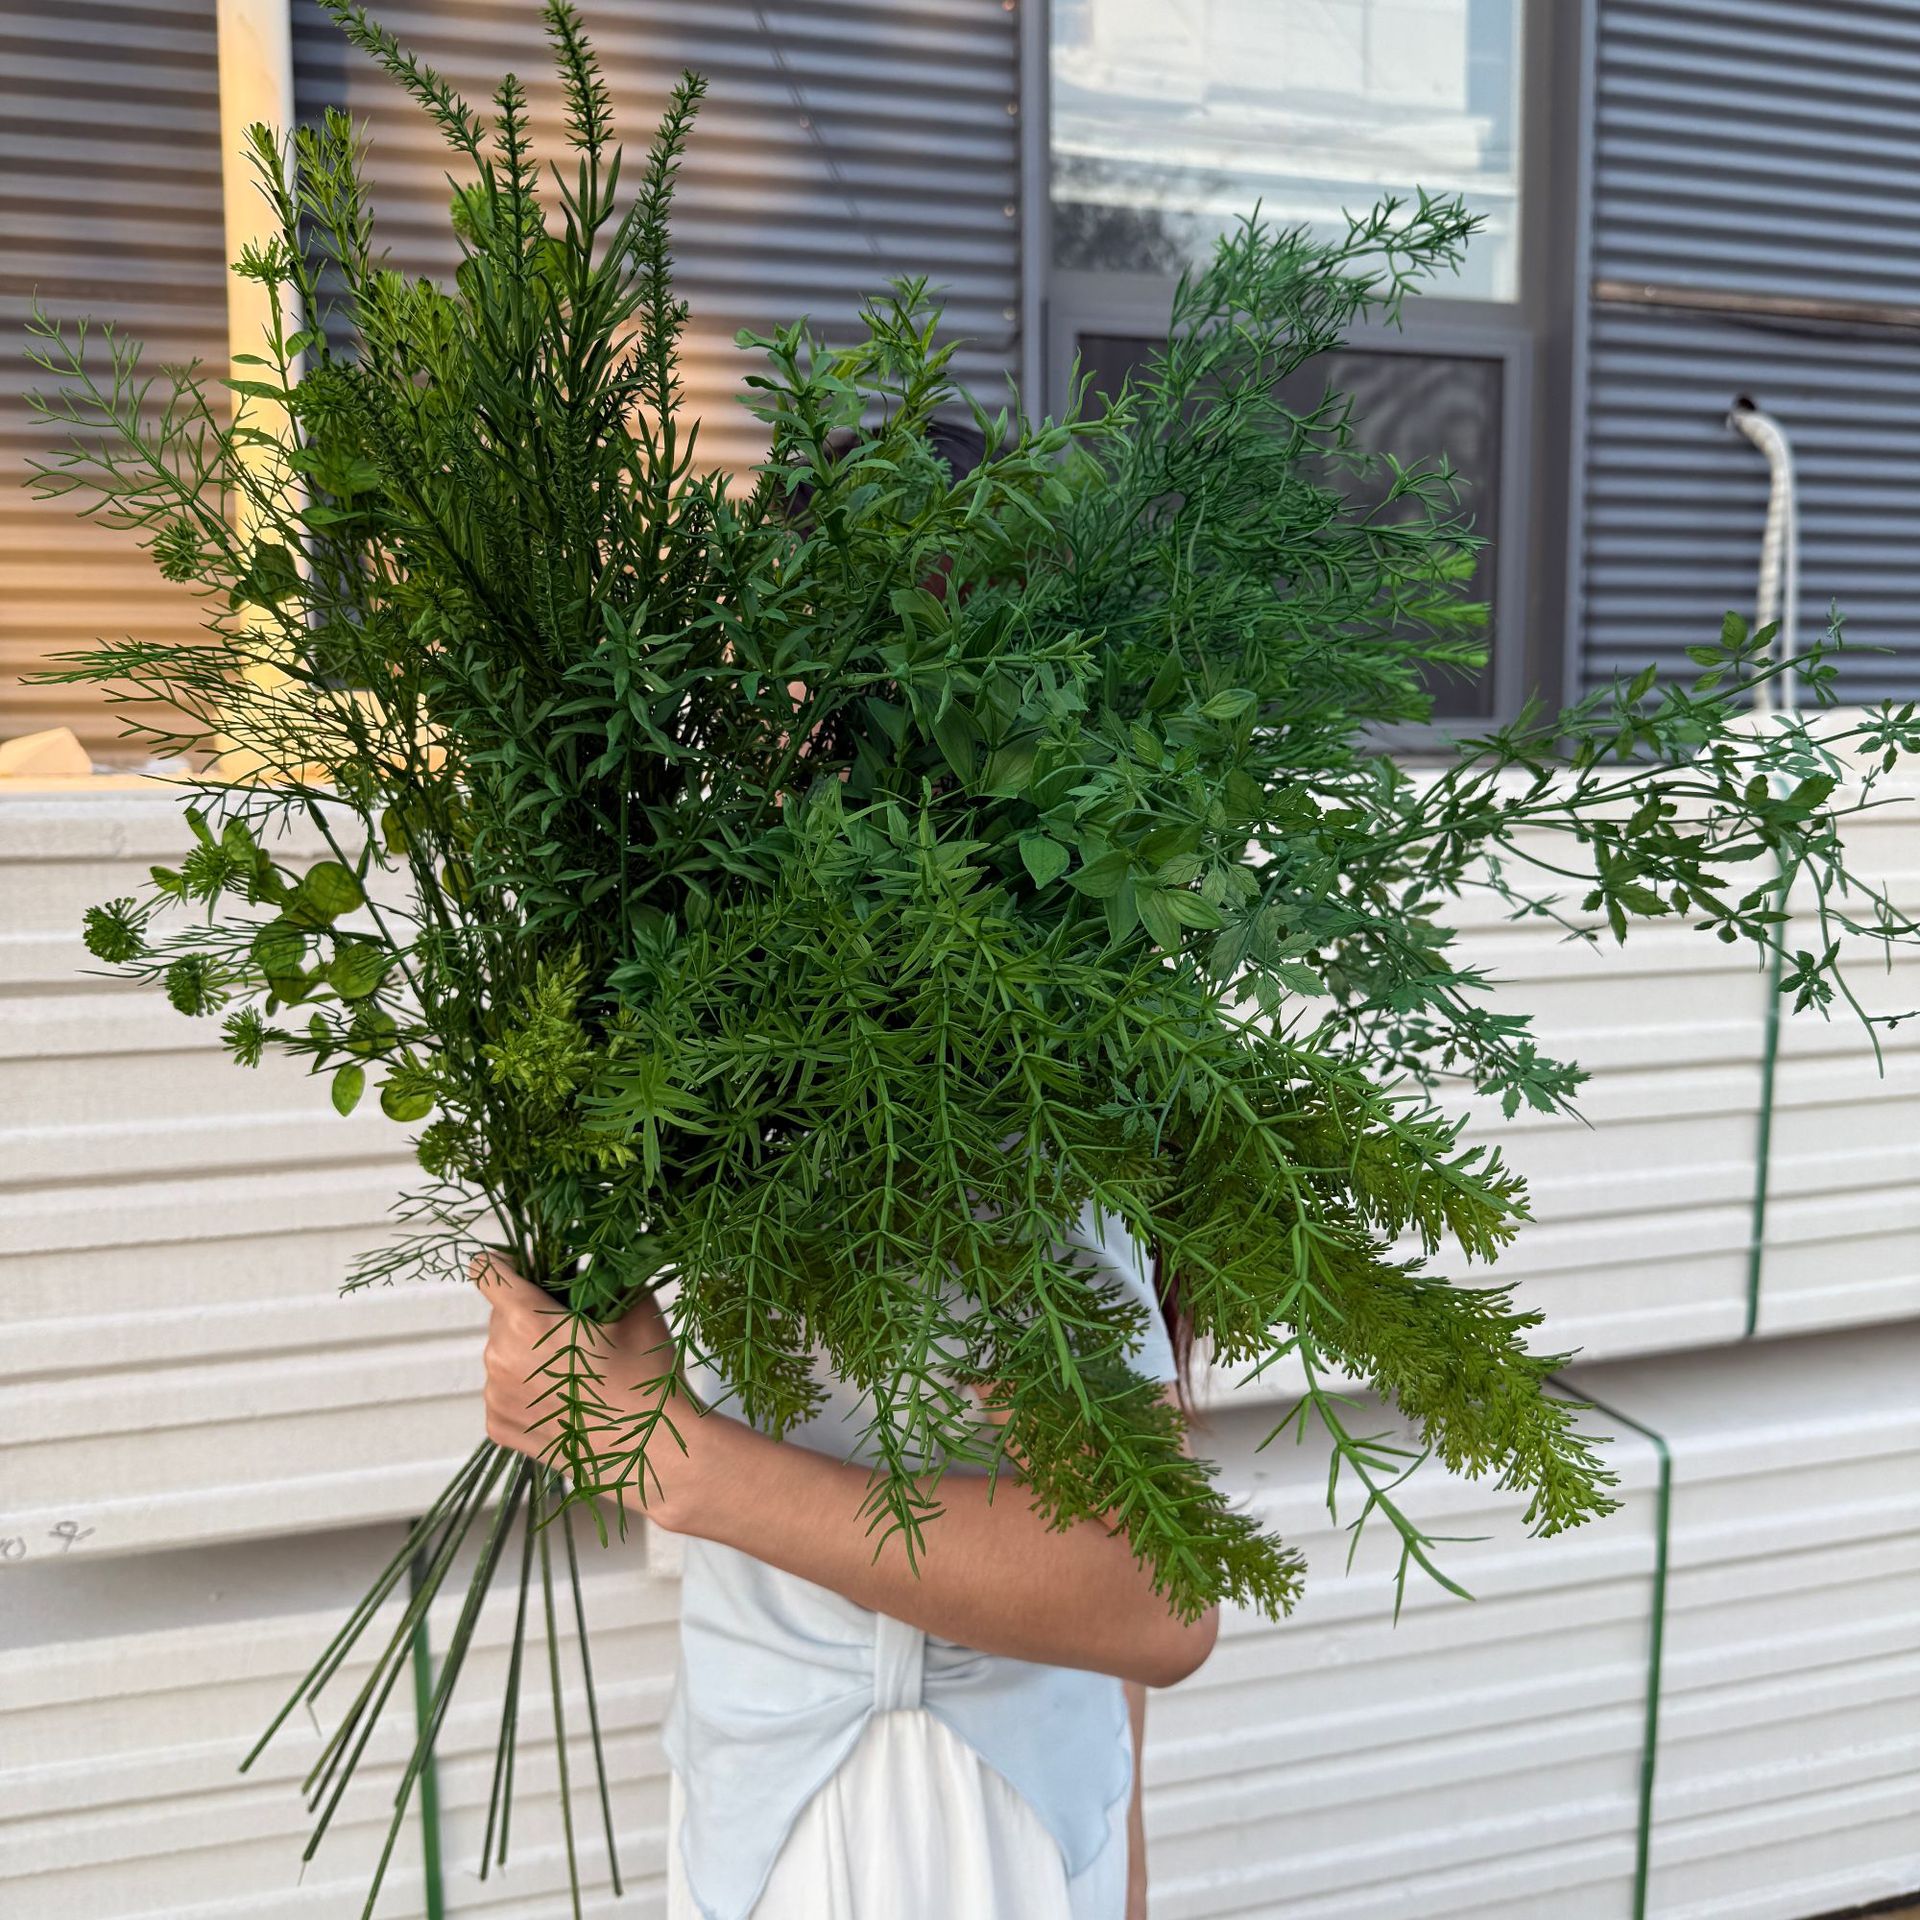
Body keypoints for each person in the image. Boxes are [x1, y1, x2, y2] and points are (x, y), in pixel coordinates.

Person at [473, 1201, 1218, 1920]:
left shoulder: (979, 1122)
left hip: (928, 1809)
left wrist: (679, 1462)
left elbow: (1154, 1595)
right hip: (753, 1772)